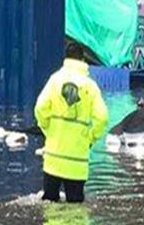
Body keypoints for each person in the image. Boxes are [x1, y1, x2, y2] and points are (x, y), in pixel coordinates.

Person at [35, 42, 109, 202]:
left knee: (49, 205)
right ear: (83, 60)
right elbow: (102, 117)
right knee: (76, 209)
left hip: (53, 159)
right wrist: (90, 137)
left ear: (66, 59)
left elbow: (40, 107)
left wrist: (48, 130)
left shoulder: (55, 80)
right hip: (77, 163)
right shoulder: (90, 86)